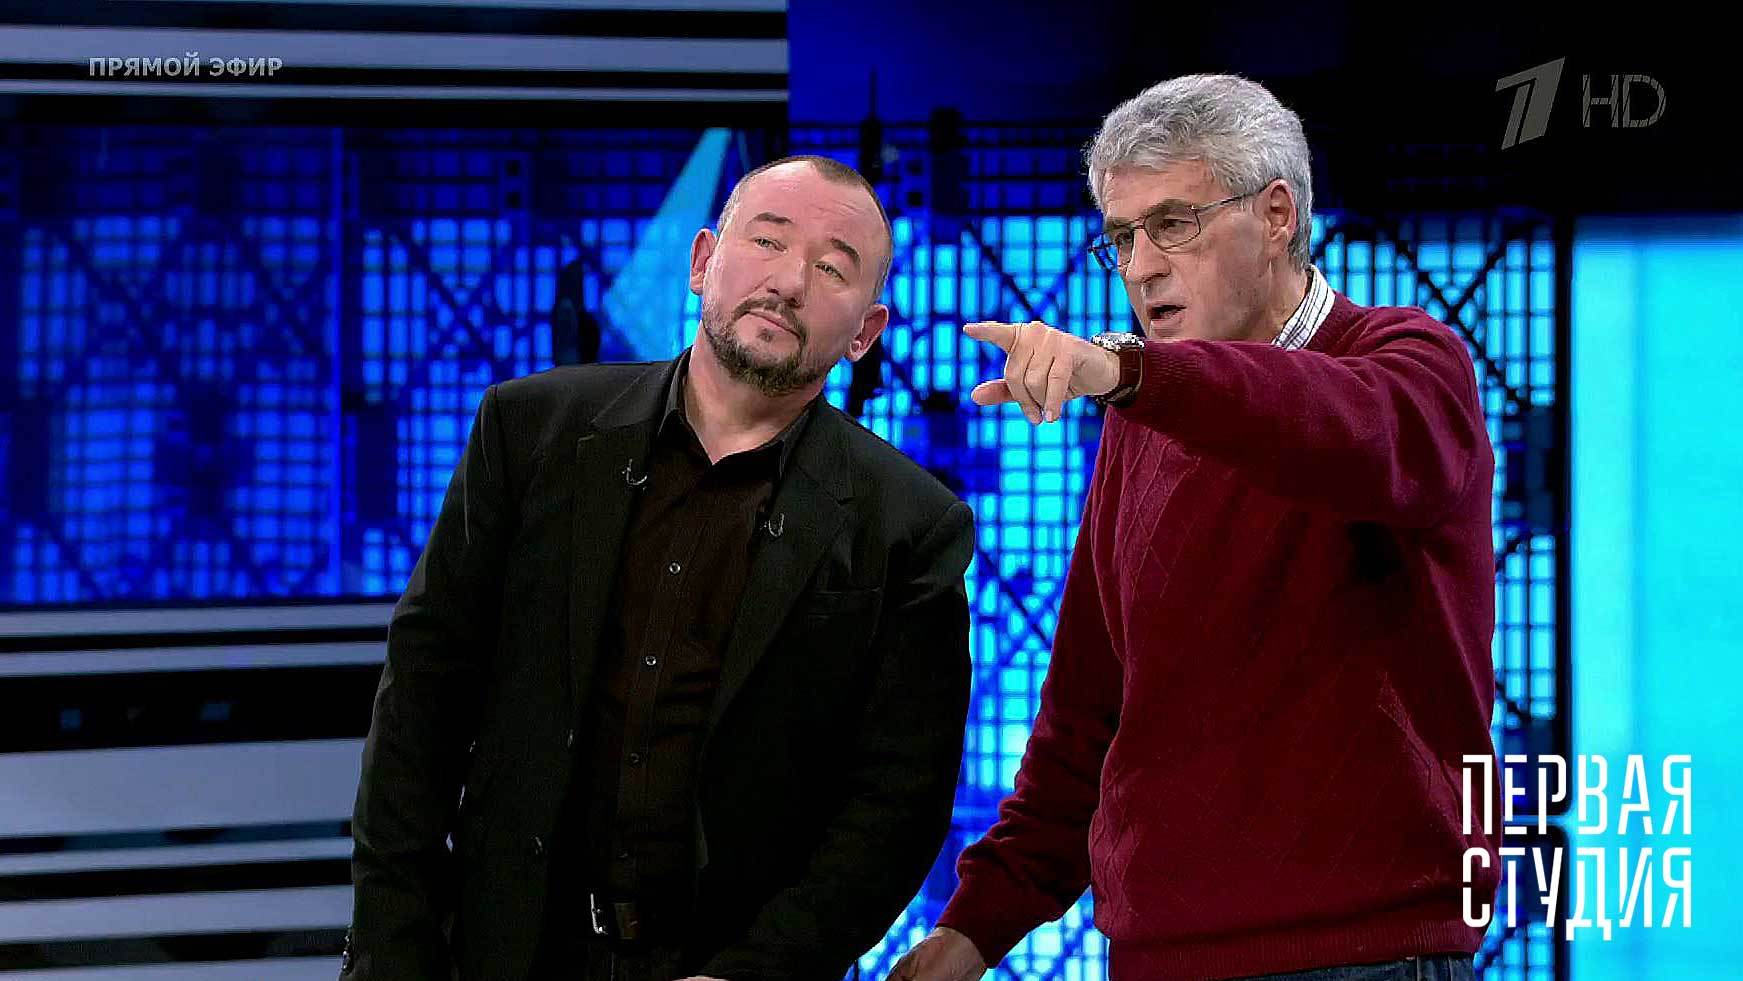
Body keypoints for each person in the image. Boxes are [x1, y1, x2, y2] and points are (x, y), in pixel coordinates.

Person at [888, 74, 1500, 981]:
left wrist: (1129, 372)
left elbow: (1330, 425)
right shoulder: (1140, 422)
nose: (1139, 267)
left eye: (1172, 224)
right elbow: (1087, 718)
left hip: (1365, 953)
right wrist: (975, 928)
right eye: (1120, 237)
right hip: (1154, 956)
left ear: (1277, 215)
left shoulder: (1411, 365)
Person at [344, 155, 976, 981]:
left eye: (831, 268)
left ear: (864, 333)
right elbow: (421, 702)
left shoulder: (908, 525)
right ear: (703, 260)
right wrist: (393, 951)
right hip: (504, 950)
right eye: (768, 241)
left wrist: (753, 972)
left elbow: (896, 804)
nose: (788, 282)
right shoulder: (529, 431)